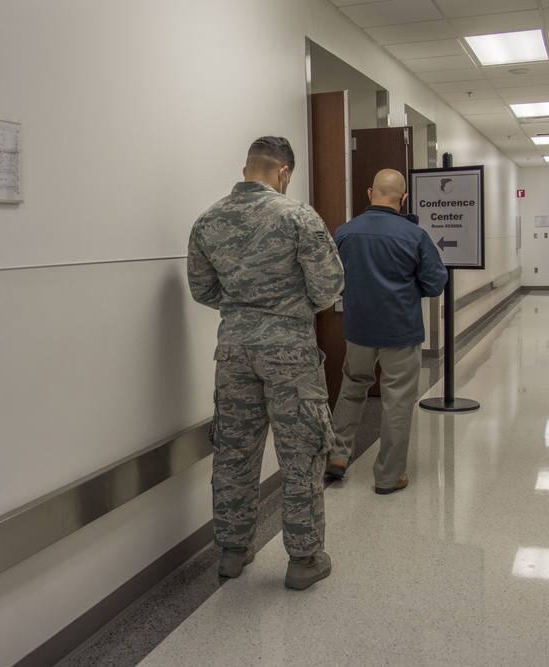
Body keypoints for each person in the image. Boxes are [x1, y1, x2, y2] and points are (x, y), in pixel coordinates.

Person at [187, 136, 344, 590]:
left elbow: (203, 290)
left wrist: (243, 309)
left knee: (234, 451)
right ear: (284, 173)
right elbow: (331, 286)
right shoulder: (297, 215)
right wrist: (288, 310)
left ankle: (232, 552)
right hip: (289, 352)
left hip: (234, 351)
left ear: (246, 170)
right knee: (301, 454)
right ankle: (303, 559)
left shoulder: (208, 220)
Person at [325, 169, 448, 494]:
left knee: (352, 389)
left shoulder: (345, 233)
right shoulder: (414, 235)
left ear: (369, 193)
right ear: (403, 198)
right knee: (396, 401)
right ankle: (388, 476)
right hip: (400, 332)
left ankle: (337, 456)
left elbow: (331, 280)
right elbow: (435, 284)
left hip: (358, 330)